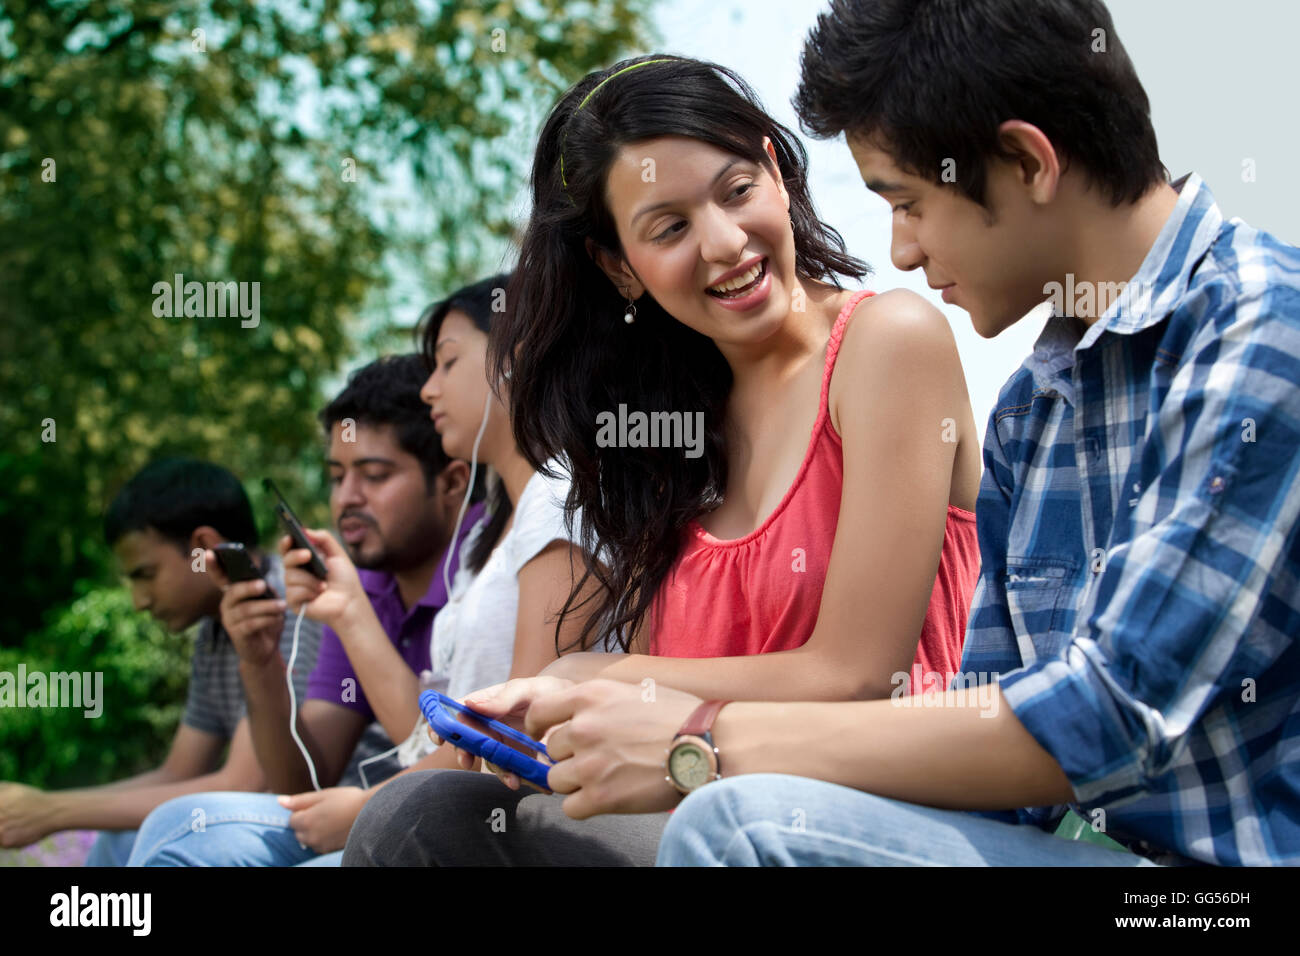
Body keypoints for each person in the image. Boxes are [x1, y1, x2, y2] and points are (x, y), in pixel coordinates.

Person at [463, 0, 1299, 867]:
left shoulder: (1260, 331)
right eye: (667, 227)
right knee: (457, 818)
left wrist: (701, 743)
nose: (898, 250)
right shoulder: (1037, 403)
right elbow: (990, 708)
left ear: (1025, 161)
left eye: (907, 203)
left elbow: (1108, 716)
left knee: (736, 825)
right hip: (1070, 850)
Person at [343, 54, 983, 866]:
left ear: (777, 169)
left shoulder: (887, 343)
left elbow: (857, 674)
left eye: (737, 189)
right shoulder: (666, 435)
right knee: (425, 809)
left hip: (863, 813)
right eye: (670, 228)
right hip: (699, 800)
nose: (724, 244)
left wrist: (599, 674)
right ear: (620, 268)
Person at [129, 276, 601, 865]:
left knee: (185, 836)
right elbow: (425, 736)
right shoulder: (487, 532)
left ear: (520, 356)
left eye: (448, 363)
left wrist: (368, 803)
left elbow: (520, 732)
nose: (431, 390)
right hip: (431, 801)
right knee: (179, 826)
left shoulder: (560, 501)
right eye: (335, 475)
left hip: (493, 819)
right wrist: (331, 622)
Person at [0, 459, 322, 865]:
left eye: (145, 574)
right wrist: (43, 805)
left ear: (202, 547)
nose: (139, 601)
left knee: (175, 832)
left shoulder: (279, 606)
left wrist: (52, 813)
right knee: (117, 841)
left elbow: (243, 782)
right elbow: (178, 773)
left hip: (328, 817)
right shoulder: (214, 632)